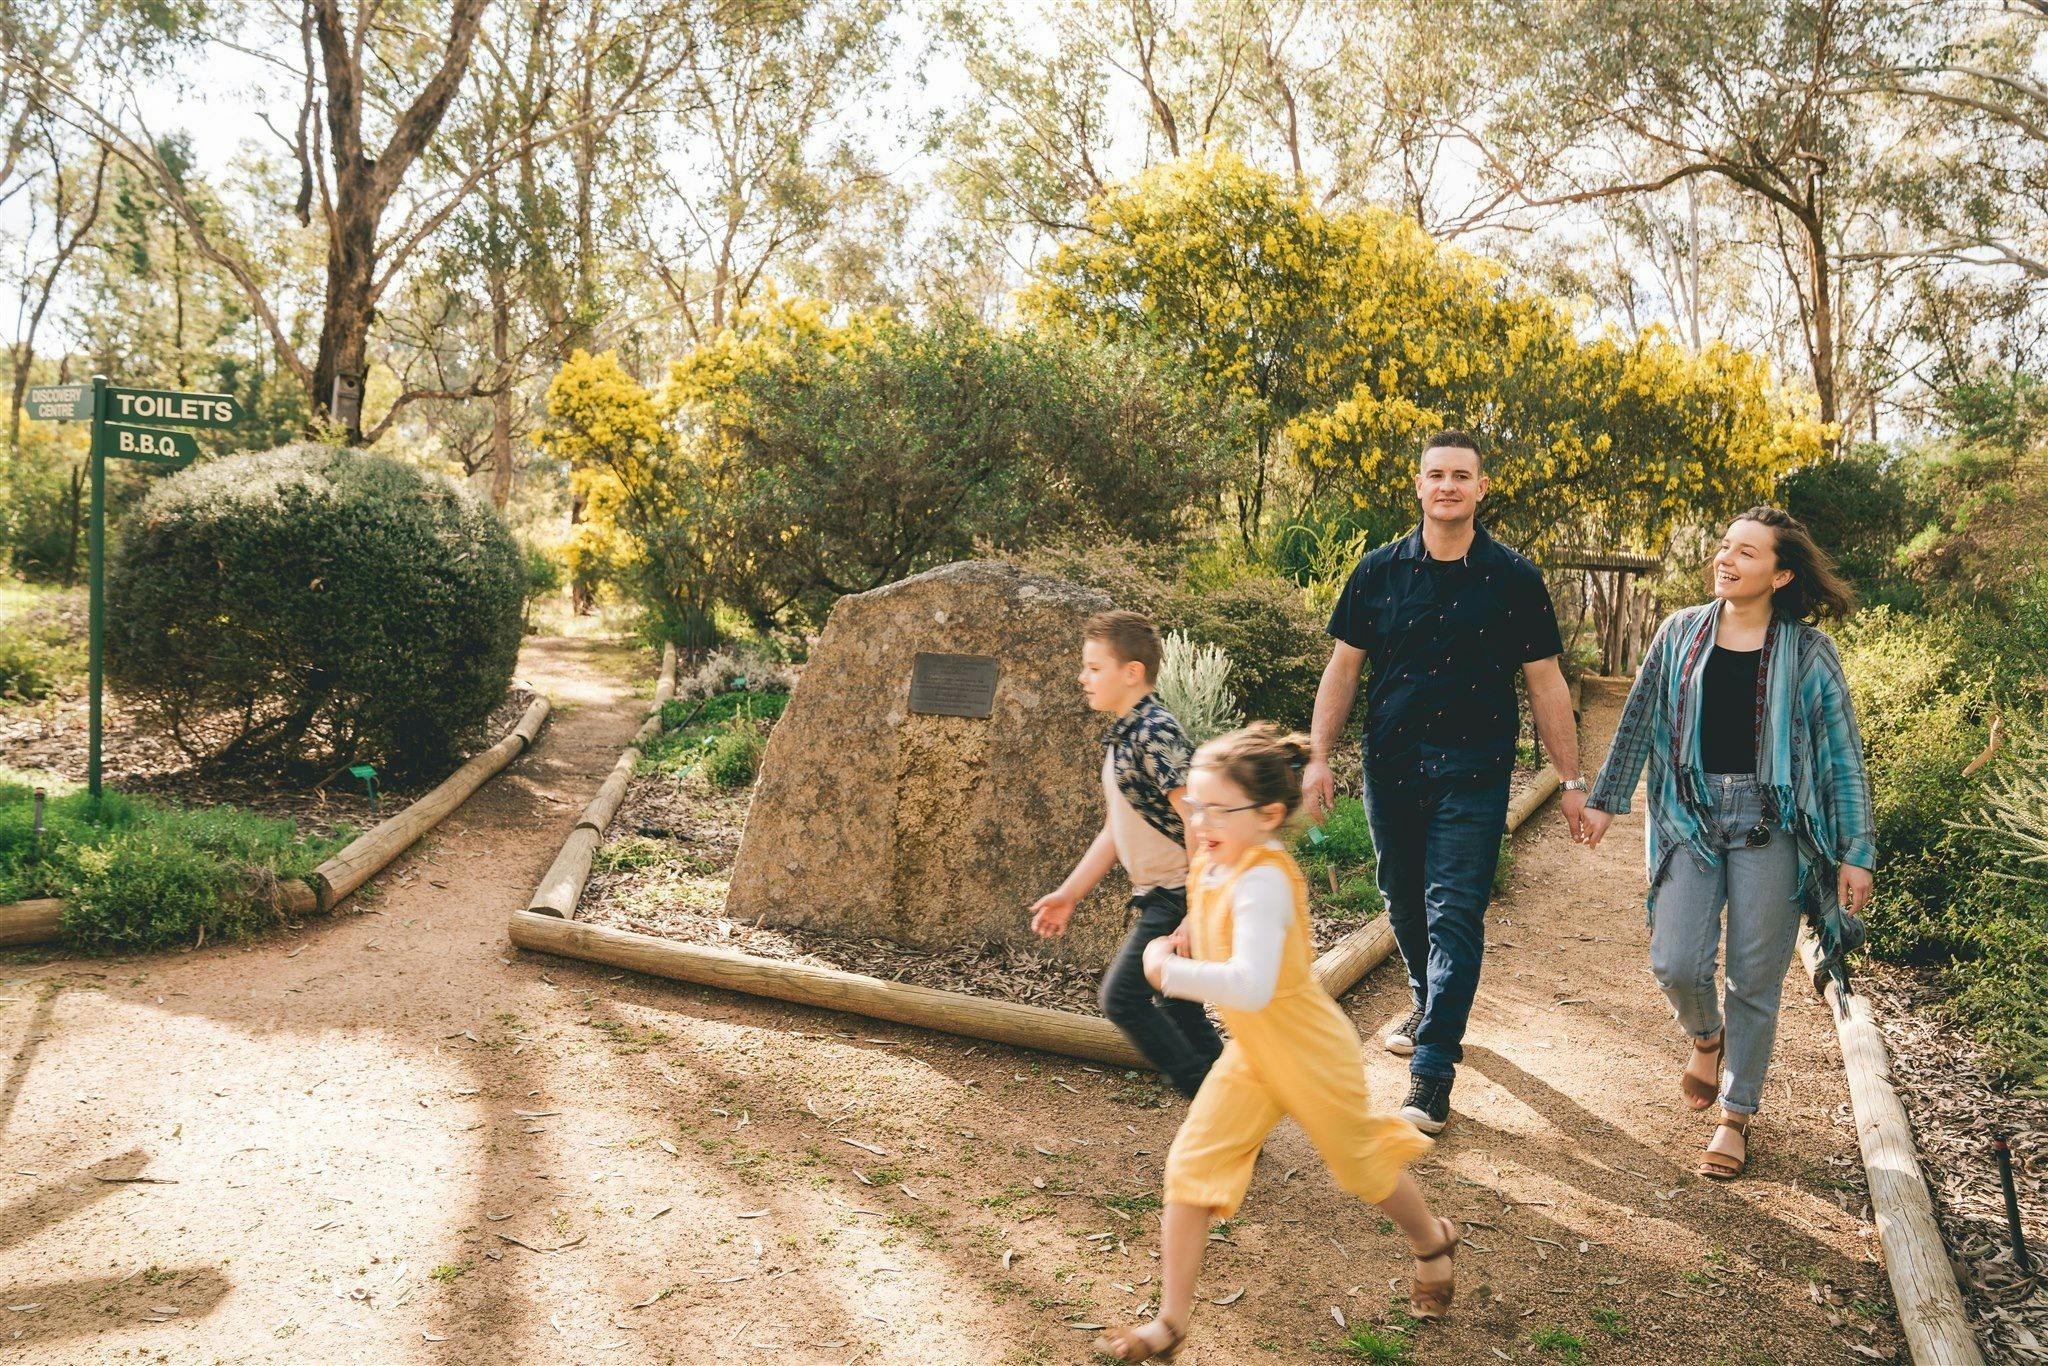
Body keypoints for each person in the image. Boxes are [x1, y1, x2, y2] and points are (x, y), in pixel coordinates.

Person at [1092, 725, 1458, 1362]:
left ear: (1266, 816)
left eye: (1216, 808)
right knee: (1191, 1168)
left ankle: (1432, 1240)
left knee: (1361, 1165)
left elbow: (1252, 984)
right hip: (1254, 1054)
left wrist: (1165, 973)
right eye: (1195, 804)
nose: (1198, 818)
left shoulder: (1264, 879)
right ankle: (1170, 1323)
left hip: (1309, 1049)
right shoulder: (1216, 855)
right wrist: (1184, 931)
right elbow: (1208, 904)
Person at [1303, 430, 1585, 1135]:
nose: (1449, 486)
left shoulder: (1515, 578)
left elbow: (1546, 682)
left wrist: (1571, 779)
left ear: (1481, 489)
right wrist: (1317, 754)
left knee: (1455, 910)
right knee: (1402, 897)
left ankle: (1432, 1071)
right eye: (1437, 475)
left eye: (1462, 475)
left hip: (1475, 772)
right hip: (1391, 766)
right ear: (1419, 485)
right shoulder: (1377, 571)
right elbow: (1344, 667)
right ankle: (1432, 1002)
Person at [1581, 507, 1875, 1180]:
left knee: (1755, 978)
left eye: (1746, 553)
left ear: (1781, 573)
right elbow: (1637, 721)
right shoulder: (1680, 632)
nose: (1727, 559)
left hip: (1774, 825)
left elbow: (1842, 756)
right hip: (1690, 814)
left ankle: (1736, 1115)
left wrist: (1857, 850)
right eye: (1724, 548)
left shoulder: (1808, 653)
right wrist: (1605, 800)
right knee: (1677, 960)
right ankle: (1705, 1038)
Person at [1030, 609, 1222, 1100]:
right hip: (1163, 894)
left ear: (1132, 672)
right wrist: (1069, 894)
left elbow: (1196, 819)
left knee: (1121, 998)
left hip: (1177, 895)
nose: (1083, 677)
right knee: (1180, 1008)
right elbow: (1117, 830)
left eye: (1094, 668)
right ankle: (1235, 1106)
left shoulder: (1155, 731)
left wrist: (1198, 910)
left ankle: (1214, 1110)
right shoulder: (1124, 735)